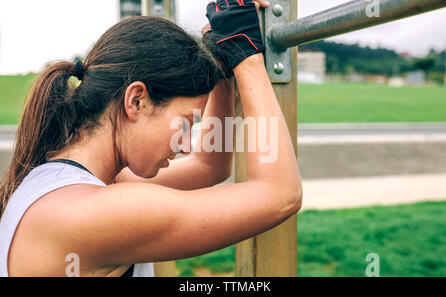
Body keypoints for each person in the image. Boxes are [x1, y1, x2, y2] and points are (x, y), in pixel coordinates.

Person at [0, 0, 302, 277]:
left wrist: (221, 65)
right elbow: (280, 196)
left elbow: (210, 167)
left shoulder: (65, 185)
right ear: (136, 101)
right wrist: (246, 58)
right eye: (185, 124)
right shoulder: (94, 213)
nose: (185, 144)